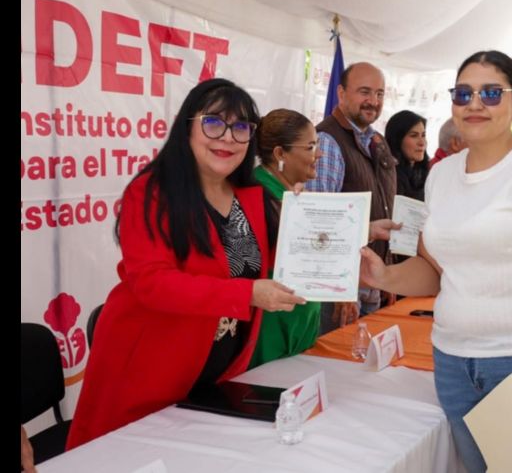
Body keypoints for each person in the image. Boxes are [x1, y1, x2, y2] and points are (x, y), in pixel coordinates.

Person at [360, 50, 512, 473]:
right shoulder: (442, 175)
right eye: (463, 93)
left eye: (492, 93)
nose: (475, 103)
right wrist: (384, 275)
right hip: (457, 369)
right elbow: (439, 271)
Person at [66, 78, 305, 449]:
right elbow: (151, 282)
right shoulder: (151, 192)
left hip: (215, 371)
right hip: (148, 365)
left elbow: (272, 264)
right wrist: (247, 293)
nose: (227, 137)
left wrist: (344, 244)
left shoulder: (249, 195)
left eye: (240, 128)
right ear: (187, 127)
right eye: (214, 123)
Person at [305, 62, 398, 333]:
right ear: (342, 93)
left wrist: (388, 276)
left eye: (380, 94)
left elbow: (384, 210)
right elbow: (319, 226)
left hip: (371, 282)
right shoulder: (328, 142)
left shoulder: (376, 140)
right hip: (341, 290)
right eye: (365, 92)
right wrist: (341, 290)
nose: (373, 101)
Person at [250, 109, 324, 367]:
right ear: (280, 154)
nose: (319, 154)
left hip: (295, 326)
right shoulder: (257, 194)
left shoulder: (286, 193)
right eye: (311, 146)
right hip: (271, 329)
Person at [385, 110, 429, 201]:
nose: (422, 142)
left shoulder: (424, 172)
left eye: (423, 135)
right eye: (414, 135)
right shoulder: (388, 176)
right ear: (397, 140)